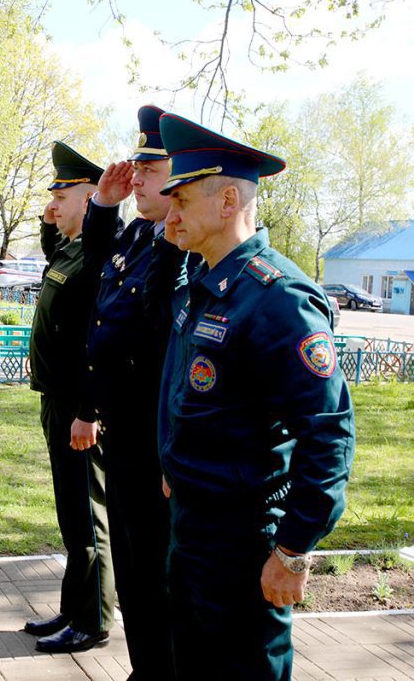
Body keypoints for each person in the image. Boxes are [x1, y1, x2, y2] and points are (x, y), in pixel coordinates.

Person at [154, 112, 355, 681]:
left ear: (227, 202)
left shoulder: (278, 298)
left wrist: (292, 550)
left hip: (244, 539)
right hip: (192, 526)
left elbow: (328, 435)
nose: (170, 216)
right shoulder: (204, 285)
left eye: (181, 200)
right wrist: (174, 463)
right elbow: (183, 391)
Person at [68, 105, 177, 678]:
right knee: (134, 569)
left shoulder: (178, 246)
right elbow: (95, 276)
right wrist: (105, 207)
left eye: (151, 170)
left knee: (156, 569)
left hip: (155, 434)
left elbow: (150, 323)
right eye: (137, 167)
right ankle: (145, 669)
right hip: (126, 430)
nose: (137, 178)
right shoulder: (136, 233)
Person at [25, 142, 117, 655]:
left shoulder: (100, 253)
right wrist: (49, 224)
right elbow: (55, 261)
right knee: (70, 514)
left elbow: (98, 340)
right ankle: (73, 607)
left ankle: (94, 620)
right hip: (56, 399)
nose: (53, 204)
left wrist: (89, 411)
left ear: (89, 198)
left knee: (88, 516)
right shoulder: (72, 248)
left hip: (80, 408)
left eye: (62, 197)